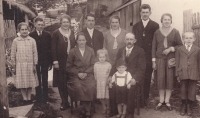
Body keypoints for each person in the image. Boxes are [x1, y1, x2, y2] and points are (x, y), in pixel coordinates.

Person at [110, 33, 146, 118]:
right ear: (124, 40)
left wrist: (135, 79)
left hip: (133, 77)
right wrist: (110, 76)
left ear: (134, 41)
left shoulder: (140, 51)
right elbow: (116, 64)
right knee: (112, 86)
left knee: (130, 88)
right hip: (121, 75)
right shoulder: (121, 50)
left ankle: (129, 112)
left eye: (131, 39)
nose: (129, 41)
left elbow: (141, 68)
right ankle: (115, 110)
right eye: (127, 39)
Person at [152, 13, 182, 111]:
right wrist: (154, 61)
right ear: (161, 21)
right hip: (160, 59)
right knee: (160, 80)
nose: (167, 21)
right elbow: (153, 47)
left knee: (169, 80)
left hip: (171, 60)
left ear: (171, 21)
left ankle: (167, 101)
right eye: (165, 19)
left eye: (169, 19)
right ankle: (161, 101)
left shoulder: (175, 32)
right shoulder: (157, 32)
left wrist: (171, 49)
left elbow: (180, 45)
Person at [132, 4, 159, 106]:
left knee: (147, 77)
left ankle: (145, 98)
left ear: (150, 13)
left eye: (146, 12)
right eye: (143, 12)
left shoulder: (155, 26)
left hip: (148, 55)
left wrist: (153, 59)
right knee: (137, 76)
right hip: (138, 56)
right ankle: (137, 98)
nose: (145, 14)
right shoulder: (136, 26)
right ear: (140, 13)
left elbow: (156, 42)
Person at [66, 32, 96, 118]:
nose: (82, 42)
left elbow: (93, 65)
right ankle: (86, 109)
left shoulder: (91, 50)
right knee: (78, 86)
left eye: (83, 40)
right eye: (80, 40)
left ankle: (85, 109)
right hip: (76, 76)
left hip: (88, 74)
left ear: (86, 41)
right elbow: (68, 67)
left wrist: (86, 73)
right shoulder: (72, 51)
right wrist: (78, 73)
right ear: (77, 41)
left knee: (90, 86)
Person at [51, 14, 76, 110]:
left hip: (71, 61)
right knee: (62, 82)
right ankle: (64, 102)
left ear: (70, 23)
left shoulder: (72, 32)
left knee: (71, 81)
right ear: (60, 23)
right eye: (64, 22)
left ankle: (72, 101)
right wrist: (55, 62)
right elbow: (53, 48)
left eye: (67, 22)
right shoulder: (56, 33)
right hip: (60, 61)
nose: (66, 24)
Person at [11, 22, 38, 105]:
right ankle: (24, 99)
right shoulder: (16, 41)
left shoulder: (32, 40)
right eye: (22, 29)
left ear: (28, 30)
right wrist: (14, 65)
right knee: (22, 83)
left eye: (26, 29)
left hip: (30, 64)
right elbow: (13, 53)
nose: (24, 31)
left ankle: (29, 98)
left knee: (30, 82)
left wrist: (34, 64)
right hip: (20, 65)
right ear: (19, 31)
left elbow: (35, 53)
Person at [176, 32, 200, 116]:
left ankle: (189, 106)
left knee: (192, 89)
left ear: (194, 39)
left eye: (190, 38)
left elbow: (199, 62)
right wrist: (177, 73)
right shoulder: (180, 49)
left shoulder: (197, 49)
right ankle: (183, 105)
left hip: (194, 73)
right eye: (186, 38)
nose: (188, 40)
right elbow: (177, 61)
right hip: (183, 72)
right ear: (183, 39)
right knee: (183, 89)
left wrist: (198, 74)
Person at [29, 17, 52, 104]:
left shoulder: (47, 35)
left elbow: (50, 49)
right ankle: (38, 98)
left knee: (45, 79)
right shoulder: (31, 35)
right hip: (36, 61)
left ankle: (45, 98)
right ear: (35, 25)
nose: (40, 26)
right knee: (37, 79)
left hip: (45, 60)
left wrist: (50, 62)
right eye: (39, 25)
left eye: (42, 25)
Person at [94, 49, 112, 116]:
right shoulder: (96, 65)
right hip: (99, 83)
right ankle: (104, 108)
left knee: (107, 97)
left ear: (106, 57)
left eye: (103, 57)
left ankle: (108, 108)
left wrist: (109, 82)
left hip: (106, 83)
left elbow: (110, 74)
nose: (102, 59)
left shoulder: (108, 65)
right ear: (98, 57)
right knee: (101, 97)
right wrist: (96, 81)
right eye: (100, 57)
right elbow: (95, 74)